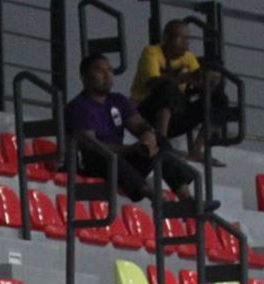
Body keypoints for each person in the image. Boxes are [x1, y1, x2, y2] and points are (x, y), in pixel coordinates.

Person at [64, 52, 200, 208]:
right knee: (106, 157)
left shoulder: (118, 100)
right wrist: (130, 149)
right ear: (84, 77)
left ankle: (186, 198)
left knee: (159, 141)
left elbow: (139, 125)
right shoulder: (79, 106)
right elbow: (91, 146)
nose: (107, 75)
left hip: (120, 161)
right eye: (100, 70)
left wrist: (147, 136)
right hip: (92, 165)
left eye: (109, 70)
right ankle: (152, 194)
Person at [130, 19, 224, 159]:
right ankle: (161, 142)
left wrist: (211, 81)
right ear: (166, 38)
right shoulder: (151, 52)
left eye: (188, 38)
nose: (186, 42)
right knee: (167, 88)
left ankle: (196, 149)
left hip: (175, 114)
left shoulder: (189, 57)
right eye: (181, 37)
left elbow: (197, 80)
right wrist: (184, 78)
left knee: (219, 99)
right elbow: (153, 83)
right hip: (146, 112)